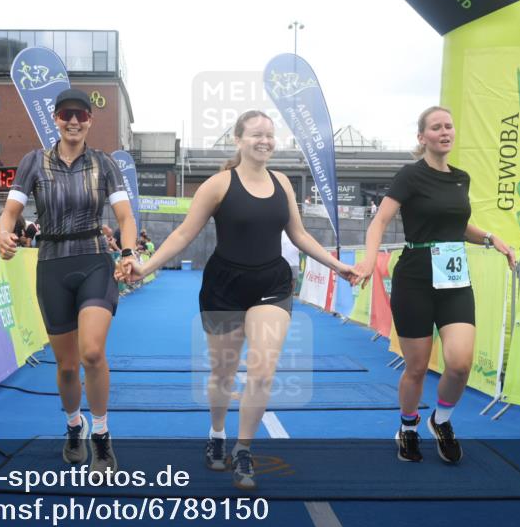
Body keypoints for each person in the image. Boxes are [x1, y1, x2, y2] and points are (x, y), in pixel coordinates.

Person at [120, 110, 357, 490]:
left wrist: (336, 265)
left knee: (262, 371)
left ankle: (244, 449)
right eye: (256, 134)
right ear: (238, 139)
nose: (265, 141)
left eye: (270, 135)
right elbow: (183, 234)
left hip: (272, 285)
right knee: (223, 373)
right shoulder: (217, 185)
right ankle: (217, 433)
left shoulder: (282, 183)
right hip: (224, 287)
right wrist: (145, 267)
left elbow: (298, 234)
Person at [355, 106, 515, 464]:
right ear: (422, 137)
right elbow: (379, 221)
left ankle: (441, 421)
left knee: (459, 364)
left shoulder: (461, 179)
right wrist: (368, 260)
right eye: (436, 127)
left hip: (454, 279)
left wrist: (492, 238)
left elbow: (456, 226)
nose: (445, 132)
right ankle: (408, 427)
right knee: (416, 367)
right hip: (415, 278)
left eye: (449, 126)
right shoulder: (410, 176)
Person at [0, 88, 137, 475]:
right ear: (56, 119)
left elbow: (125, 217)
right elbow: (9, 212)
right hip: (52, 266)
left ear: (90, 120)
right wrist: (3, 233)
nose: (74, 121)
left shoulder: (104, 164)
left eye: (81, 115)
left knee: (91, 353)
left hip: (94, 261)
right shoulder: (33, 162)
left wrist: (128, 253)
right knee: (68, 366)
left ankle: (102, 436)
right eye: (66, 114)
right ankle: (75, 426)